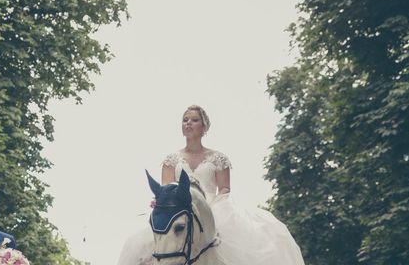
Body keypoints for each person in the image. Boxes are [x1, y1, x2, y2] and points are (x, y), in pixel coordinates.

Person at [117, 105, 305, 265]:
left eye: (194, 120)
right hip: (179, 209)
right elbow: (167, 189)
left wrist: (210, 207)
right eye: (185, 120)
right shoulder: (171, 159)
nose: (188, 123)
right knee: (142, 244)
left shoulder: (218, 158)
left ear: (204, 126)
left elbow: (224, 189)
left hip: (213, 208)